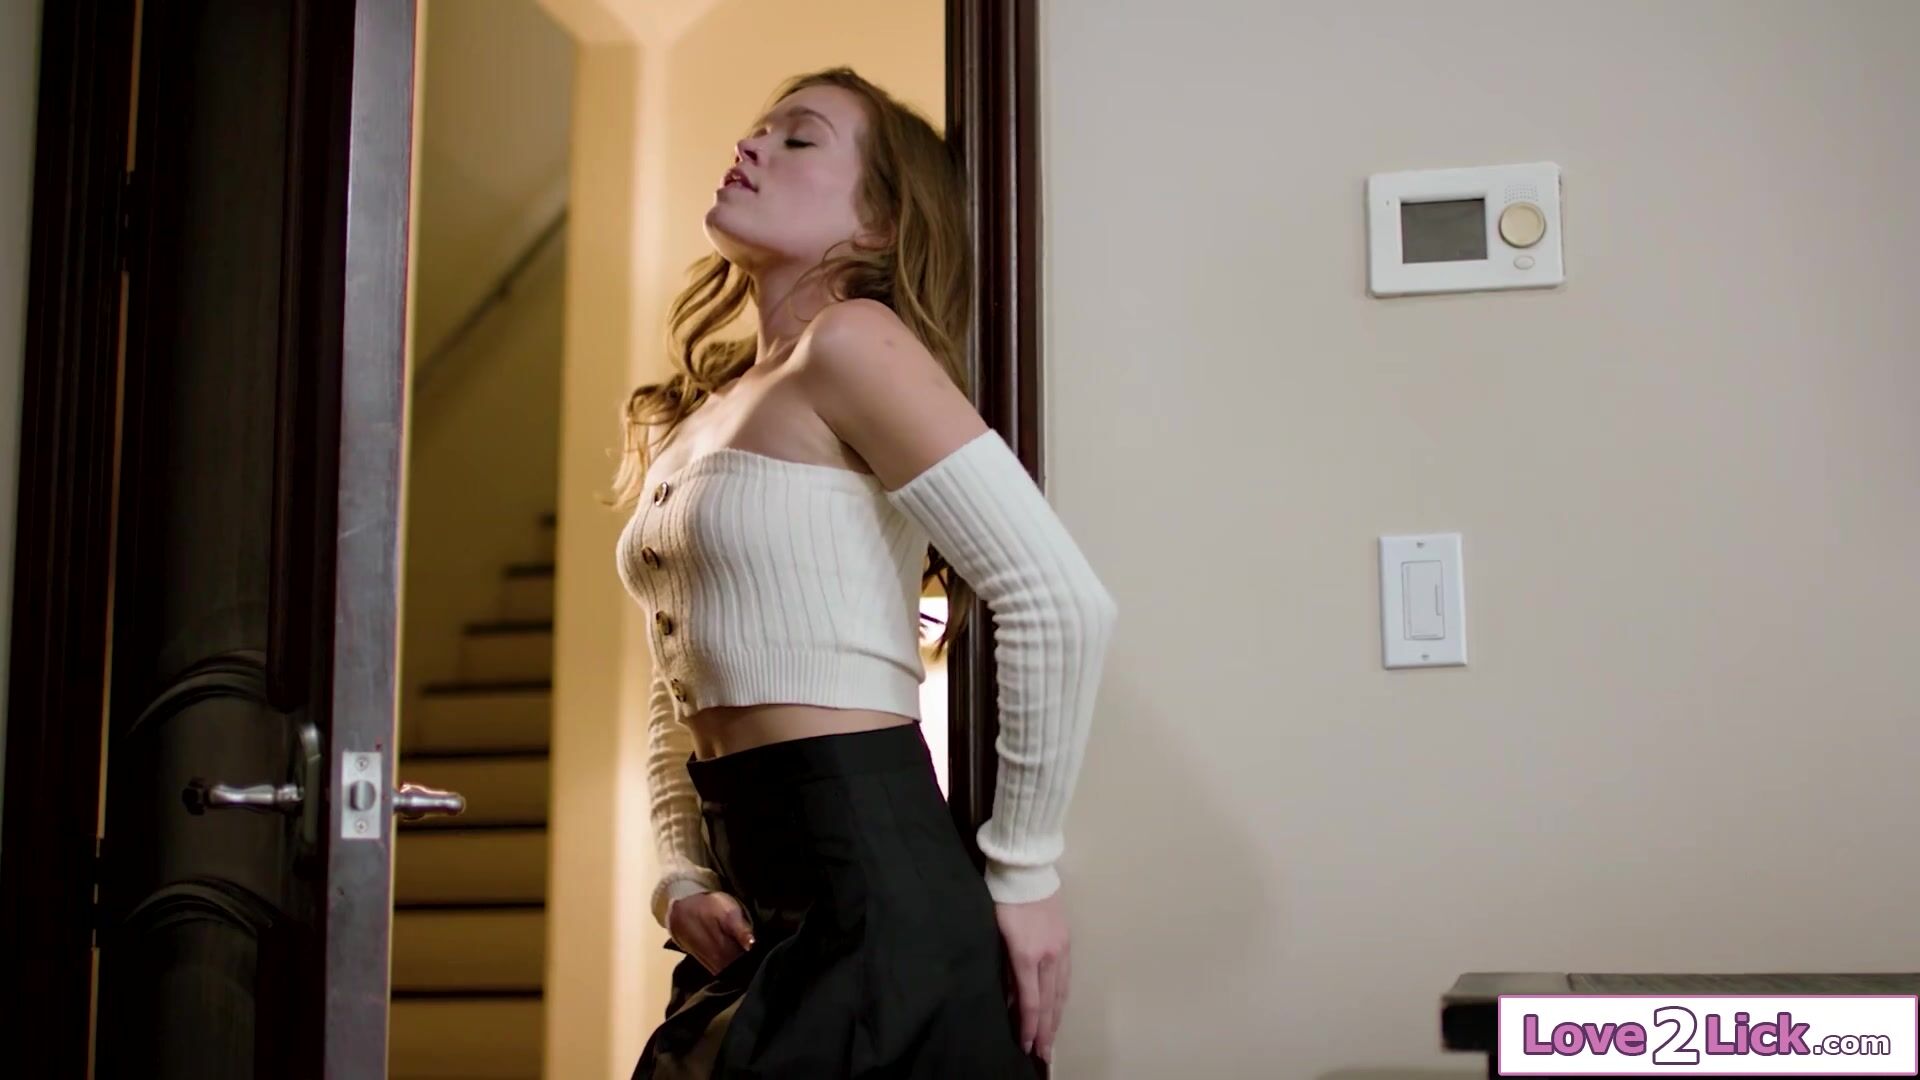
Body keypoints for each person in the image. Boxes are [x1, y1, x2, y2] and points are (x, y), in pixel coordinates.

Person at [616, 67, 1117, 1079]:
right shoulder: (701, 411)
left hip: (869, 876)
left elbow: (1057, 599)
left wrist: (1025, 871)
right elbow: (678, 685)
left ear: (880, 223)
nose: (751, 146)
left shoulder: (851, 342)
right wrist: (677, 873)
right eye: (757, 129)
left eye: (797, 137)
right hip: (751, 892)